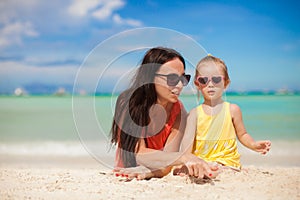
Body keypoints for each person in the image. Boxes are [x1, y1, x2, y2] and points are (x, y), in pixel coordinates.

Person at [111, 47, 218, 180]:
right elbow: (139, 154)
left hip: (151, 172)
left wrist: (149, 172)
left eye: (184, 78)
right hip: (126, 170)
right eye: (172, 78)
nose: (179, 85)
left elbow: (166, 165)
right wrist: (185, 157)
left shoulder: (178, 112)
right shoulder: (128, 102)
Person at [180, 55, 271, 171]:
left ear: (226, 83)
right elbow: (187, 141)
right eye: (203, 80)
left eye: (216, 79)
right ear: (197, 84)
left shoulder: (232, 110)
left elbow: (242, 135)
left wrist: (253, 145)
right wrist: (186, 161)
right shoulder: (194, 114)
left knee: (224, 168)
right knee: (198, 167)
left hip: (227, 161)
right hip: (202, 160)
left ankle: (213, 169)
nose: (210, 84)